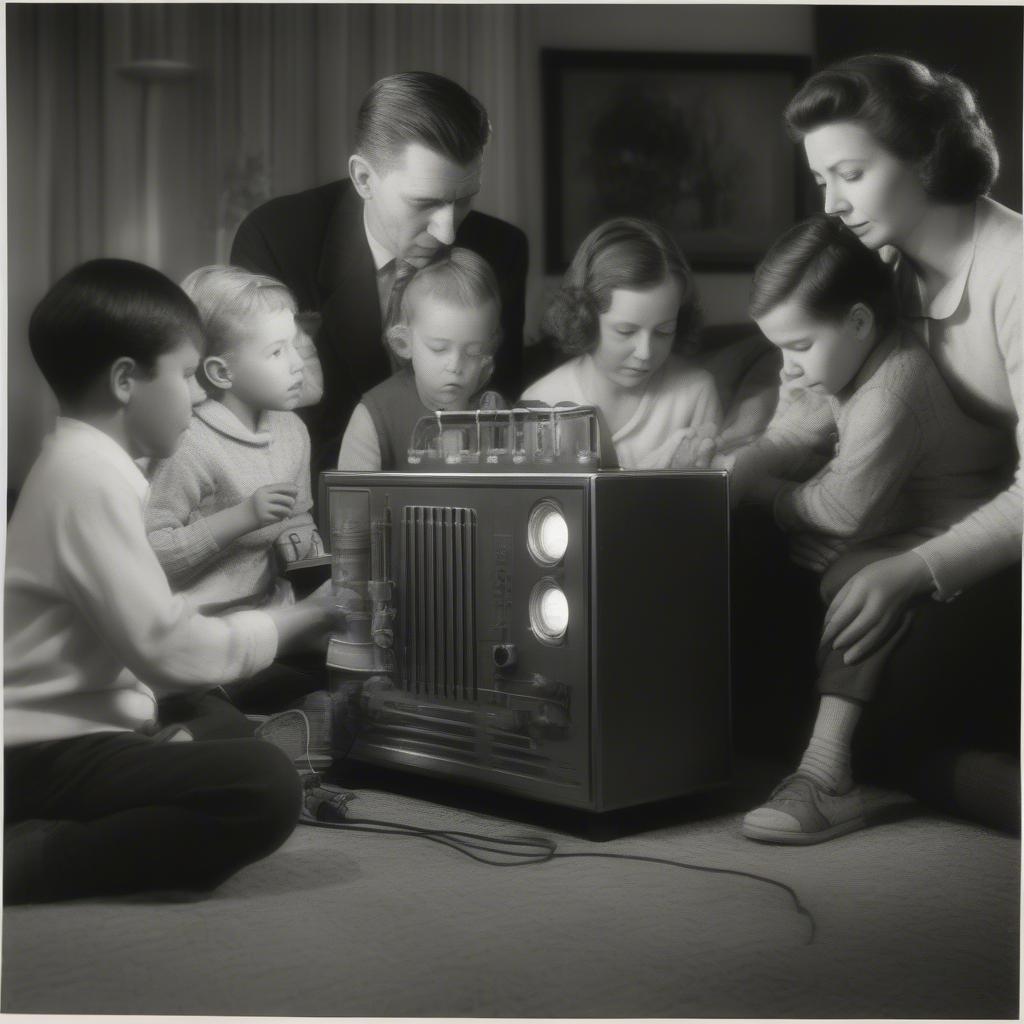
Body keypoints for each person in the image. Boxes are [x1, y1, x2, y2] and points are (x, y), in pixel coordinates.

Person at [737, 53, 1021, 831]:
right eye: (822, 180)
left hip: (995, 552)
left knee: (892, 692)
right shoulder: (882, 264)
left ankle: (894, 771)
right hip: (921, 528)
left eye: (850, 174)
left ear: (925, 155)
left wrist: (910, 571)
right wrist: (744, 471)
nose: (831, 205)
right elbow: (807, 399)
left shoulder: (1015, 271)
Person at [4, 259, 344, 903]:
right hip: (38, 752)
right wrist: (289, 623)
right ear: (127, 381)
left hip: (86, 736)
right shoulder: (85, 481)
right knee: (266, 787)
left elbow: (127, 651)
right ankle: (36, 857)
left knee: (224, 740)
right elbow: (164, 646)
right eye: (187, 374)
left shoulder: (86, 468)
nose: (195, 395)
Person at [231, 71, 528, 483]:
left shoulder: (502, 251)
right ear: (364, 178)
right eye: (424, 203)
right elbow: (256, 421)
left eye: (463, 201)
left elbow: (497, 403)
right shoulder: (277, 239)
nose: (448, 233)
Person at [147, 266, 322, 614]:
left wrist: (310, 556)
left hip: (268, 611)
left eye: (295, 345)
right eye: (276, 352)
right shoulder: (189, 444)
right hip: (196, 623)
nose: (299, 364)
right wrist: (244, 516)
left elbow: (298, 519)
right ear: (221, 372)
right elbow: (154, 554)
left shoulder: (292, 431)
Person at [522, 218, 721, 469]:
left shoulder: (696, 393)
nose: (645, 352)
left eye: (663, 331)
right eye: (625, 331)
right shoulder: (541, 403)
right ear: (583, 318)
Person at [338, 248, 505, 471]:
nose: (455, 366)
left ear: (489, 350)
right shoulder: (376, 416)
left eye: (473, 351)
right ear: (403, 343)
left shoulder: (495, 413)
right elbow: (353, 502)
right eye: (438, 348)